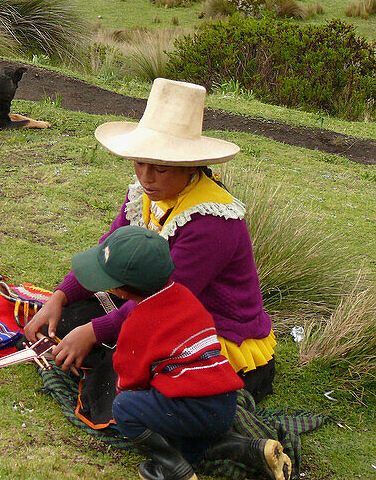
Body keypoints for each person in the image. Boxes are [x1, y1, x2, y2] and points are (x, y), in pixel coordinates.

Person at [25, 78, 277, 422]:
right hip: (154, 311)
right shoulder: (146, 196)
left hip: (207, 331)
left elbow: (169, 302)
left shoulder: (212, 222)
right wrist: (59, 296)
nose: (146, 177)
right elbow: (107, 255)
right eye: (139, 163)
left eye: (160, 168)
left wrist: (94, 331)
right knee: (65, 323)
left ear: (190, 165)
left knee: (127, 378)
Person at [68, 227, 292, 480]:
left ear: (120, 291)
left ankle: (173, 468)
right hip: (225, 402)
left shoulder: (135, 323)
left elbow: (130, 380)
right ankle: (252, 449)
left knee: (125, 407)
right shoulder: (185, 295)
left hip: (191, 408)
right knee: (191, 445)